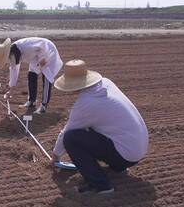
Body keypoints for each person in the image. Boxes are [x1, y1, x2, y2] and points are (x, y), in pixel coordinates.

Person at [51, 60, 149, 194]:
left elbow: (67, 132)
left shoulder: (87, 102)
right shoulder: (106, 82)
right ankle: (117, 166)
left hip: (126, 154)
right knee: (91, 127)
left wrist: (55, 155)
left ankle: (102, 185)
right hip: (137, 148)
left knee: (71, 138)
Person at [0, 37, 63, 114]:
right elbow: (14, 69)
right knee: (31, 75)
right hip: (35, 56)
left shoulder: (24, 47)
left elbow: (41, 47)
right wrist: (11, 89)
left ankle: (43, 106)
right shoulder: (14, 53)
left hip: (47, 50)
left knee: (46, 76)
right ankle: (31, 101)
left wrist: (42, 60)